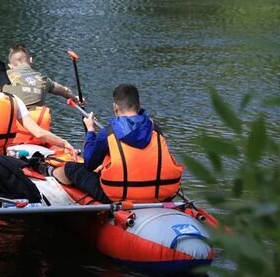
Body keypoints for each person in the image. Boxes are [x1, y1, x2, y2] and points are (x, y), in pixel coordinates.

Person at [50, 83, 183, 203]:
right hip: (161, 193)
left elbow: (89, 164)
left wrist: (90, 131)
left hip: (118, 195)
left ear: (115, 107)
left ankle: (47, 171)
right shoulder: (155, 128)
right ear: (139, 104)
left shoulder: (108, 133)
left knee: (71, 168)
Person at [0, 55, 76, 157]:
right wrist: (63, 142)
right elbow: (39, 133)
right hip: (2, 159)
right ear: (3, 79)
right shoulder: (14, 100)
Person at [4, 43, 82, 131]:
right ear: (31, 60)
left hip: (12, 128)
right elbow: (64, 91)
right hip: (38, 129)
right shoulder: (43, 79)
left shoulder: (2, 77)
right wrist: (76, 98)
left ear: (10, 66)